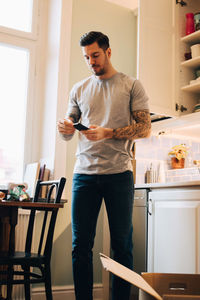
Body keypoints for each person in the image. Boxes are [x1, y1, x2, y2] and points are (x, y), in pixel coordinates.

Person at [57, 31, 151, 300]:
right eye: (86, 57)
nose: (91, 62)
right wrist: (64, 127)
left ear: (108, 52)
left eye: (95, 55)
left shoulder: (131, 85)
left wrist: (108, 132)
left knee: (122, 246)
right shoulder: (79, 89)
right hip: (83, 175)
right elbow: (68, 130)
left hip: (118, 174)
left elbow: (144, 128)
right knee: (80, 246)